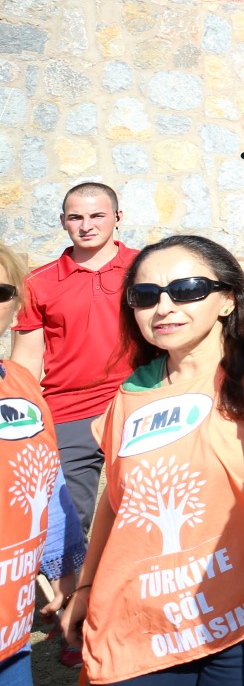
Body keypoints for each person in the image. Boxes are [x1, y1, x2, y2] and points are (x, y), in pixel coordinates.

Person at [59, 234, 244, 685]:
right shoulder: (130, 394)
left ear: (227, 300)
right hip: (140, 623)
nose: (163, 307)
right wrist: (85, 587)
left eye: (187, 289)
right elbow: (118, 503)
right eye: (145, 296)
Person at [11, 183, 139, 537]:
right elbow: (26, 359)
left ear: (118, 217)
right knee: (68, 520)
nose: (87, 225)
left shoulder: (144, 268)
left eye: (97, 215)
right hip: (67, 411)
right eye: (76, 217)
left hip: (136, 401)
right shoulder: (38, 283)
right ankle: (71, 593)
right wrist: (19, 420)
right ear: (63, 222)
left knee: (146, 506)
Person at [0, 240, 86, 686]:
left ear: (16, 310)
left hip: (11, 629)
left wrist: (67, 571)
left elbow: (48, 485)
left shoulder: (20, 382)